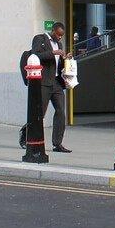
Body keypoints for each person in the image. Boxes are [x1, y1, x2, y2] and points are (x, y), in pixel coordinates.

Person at [21, 22, 72, 152]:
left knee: (61, 111)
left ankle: (57, 143)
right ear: (53, 31)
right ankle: (26, 135)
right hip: (43, 81)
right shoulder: (40, 39)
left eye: (62, 36)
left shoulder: (59, 44)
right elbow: (35, 55)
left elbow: (57, 64)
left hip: (56, 83)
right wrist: (53, 52)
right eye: (58, 35)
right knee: (39, 113)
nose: (60, 38)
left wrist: (65, 58)